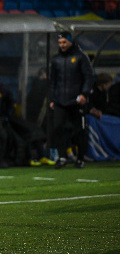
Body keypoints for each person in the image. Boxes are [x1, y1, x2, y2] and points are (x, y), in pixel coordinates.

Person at [49, 31, 94, 169]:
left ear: (70, 41)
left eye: (64, 42)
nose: (62, 45)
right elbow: (53, 81)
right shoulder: (56, 60)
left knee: (79, 131)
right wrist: (52, 98)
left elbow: (88, 77)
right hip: (60, 101)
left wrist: (84, 94)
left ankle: (80, 158)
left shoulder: (81, 57)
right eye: (60, 43)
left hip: (76, 100)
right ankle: (62, 156)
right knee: (57, 128)